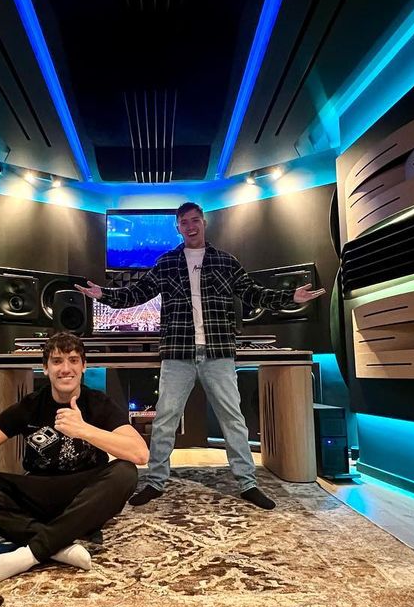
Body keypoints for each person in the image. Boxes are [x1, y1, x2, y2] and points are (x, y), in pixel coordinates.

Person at [75, 202, 325, 510]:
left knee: (232, 419)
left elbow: (254, 293)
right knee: (165, 419)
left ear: (204, 222)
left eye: (195, 220)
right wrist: (103, 295)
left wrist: (290, 297)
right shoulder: (166, 263)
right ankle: (155, 481)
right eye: (184, 222)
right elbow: (136, 294)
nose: (190, 226)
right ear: (178, 227)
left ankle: (247, 483)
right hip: (177, 352)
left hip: (218, 352)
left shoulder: (226, 261)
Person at [0, 332, 148, 587]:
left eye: (73, 360)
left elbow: (140, 453)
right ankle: (58, 545)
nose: (65, 369)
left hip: (82, 497)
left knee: (125, 472)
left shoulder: (98, 403)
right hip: (38, 492)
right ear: (45, 368)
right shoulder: (31, 405)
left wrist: (83, 430)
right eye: (57, 361)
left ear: (84, 366)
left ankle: (30, 553)